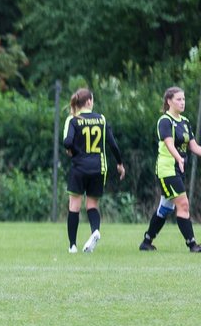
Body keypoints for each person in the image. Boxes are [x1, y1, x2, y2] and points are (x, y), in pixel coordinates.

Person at [61, 88, 125, 253]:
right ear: (89, 101)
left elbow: (67, 142)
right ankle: (95, 230)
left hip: (79, 168)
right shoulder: (101, 119)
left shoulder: (73, 119)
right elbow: (113, 144)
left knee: (74, 206)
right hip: (98, 168)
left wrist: (75, 151)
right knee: (92, 205)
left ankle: (72, 246)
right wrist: (119, 164)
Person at [140, 86, 201, 252]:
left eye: (184, 99)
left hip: (178, 170)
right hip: (167, 169)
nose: (182, 102)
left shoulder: (185, 122)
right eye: (178, 99)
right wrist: (179, 158)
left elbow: (194, 147)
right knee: (183, 204)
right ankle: (192, 244)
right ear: (169, 101)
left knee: (165, 208)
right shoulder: (165, 121)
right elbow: (169, 143)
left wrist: (182, 159)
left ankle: (146, 242)